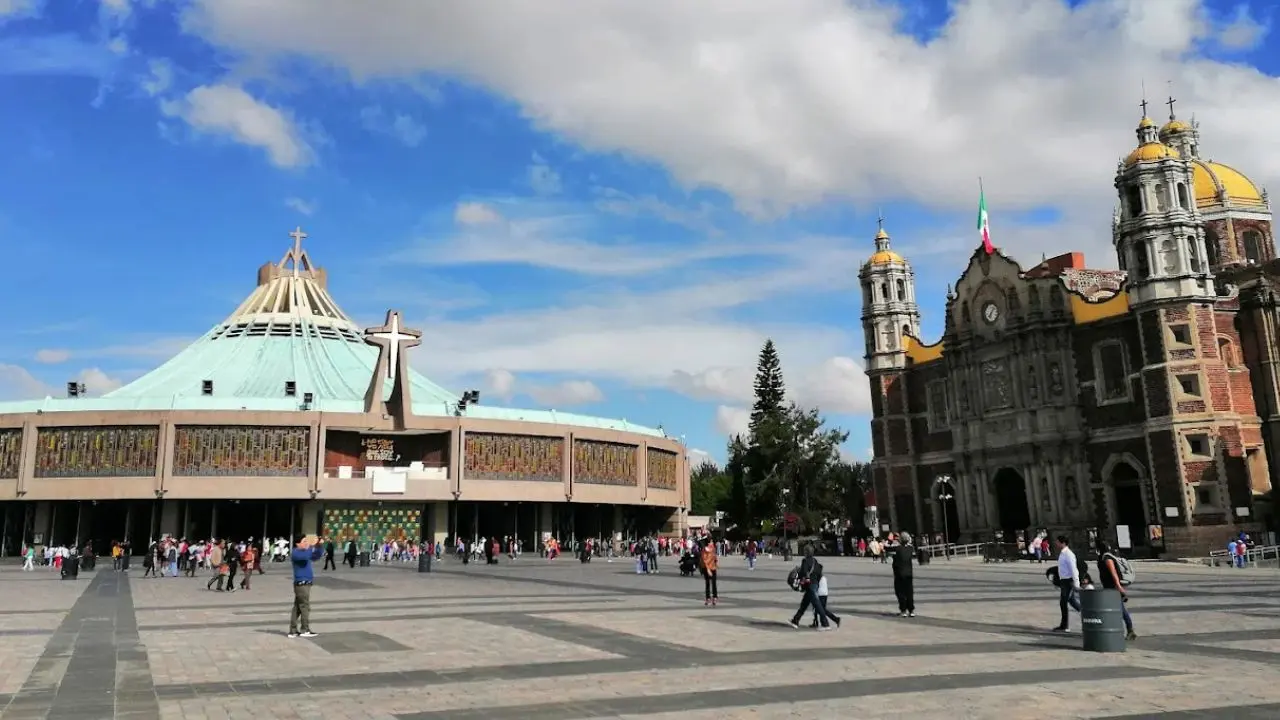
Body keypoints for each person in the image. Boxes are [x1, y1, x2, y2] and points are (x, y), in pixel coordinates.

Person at [1097, 540, 1137, 641]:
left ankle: (1130, 630)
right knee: (1114, 608)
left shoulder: (1107, 558)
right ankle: (1115, 628)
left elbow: (1113, 572)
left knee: (1120, 608)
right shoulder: (1105, 557)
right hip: (1109, 587)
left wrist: (1118, 586)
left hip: (1113, 587)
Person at [788, 544, 834, 630]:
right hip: (815, 584)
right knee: (804, 604)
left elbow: (804, 572)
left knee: (817, 605)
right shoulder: (815, 561)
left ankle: (825, 624)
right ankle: (795, 620)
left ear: (806, 552)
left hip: (809, 585)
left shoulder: (805, 561)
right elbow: (819, 573)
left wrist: (803, 577)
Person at [288, 534, 325, 638]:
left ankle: (293, 630)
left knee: (297, 608)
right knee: (305, 607)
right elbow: (306, 556)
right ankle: (305, 629)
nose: (306, 543)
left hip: (306, 583)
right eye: (304, 541)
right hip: (301, 584)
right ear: (297, 543)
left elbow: (316, 556)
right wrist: (311, 545)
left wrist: (319, 546)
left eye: (306, 541)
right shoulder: (296, 552)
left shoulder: (305, 552)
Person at [1052, 535, 1082, 632]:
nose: (1056, 543)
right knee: (1072, 601)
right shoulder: (1062, 553)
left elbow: (1074, 569)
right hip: (1064, 580)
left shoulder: (1069, 554)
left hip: (1069, 581)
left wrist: (1076, 583)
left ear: (1063, 543)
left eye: (1057, 542)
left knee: (1063, 602)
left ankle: (1064, 625)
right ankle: (1086, 612)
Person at [892, 531, 916, 617]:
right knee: (909, 592)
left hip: (900, 574)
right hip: (909, 573)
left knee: (900, 592)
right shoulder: (910, 548)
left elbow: (895, 562)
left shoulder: (898, 549)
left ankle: (903, 610)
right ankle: (911, 610)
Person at [700, 539, 719, 606]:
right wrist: (708, 569)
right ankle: (708, 598)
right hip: (706, 568)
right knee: (707, 583)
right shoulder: (704, 550)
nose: (712, 542)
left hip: (713, 567)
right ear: (708, 543)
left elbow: (714, 556)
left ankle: (715, 597)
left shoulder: (713, 548)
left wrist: (716, 562)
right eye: (711, 541)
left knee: (714, 583)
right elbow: (704, 560)